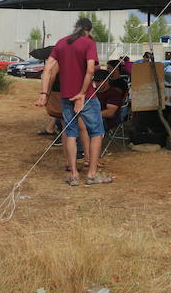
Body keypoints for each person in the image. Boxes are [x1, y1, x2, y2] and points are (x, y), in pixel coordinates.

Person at [36, 17, 113, 186]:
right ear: (88, 30)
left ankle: (74, 175)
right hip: (87, 97)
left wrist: (43, 93)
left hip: (65, 97)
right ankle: (92, 174)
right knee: (96, 132)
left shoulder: (61, 43)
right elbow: (91, 69)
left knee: (70, 133)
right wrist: (82, 93)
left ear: (75, 28)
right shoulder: (88, 43)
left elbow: (47, 69)